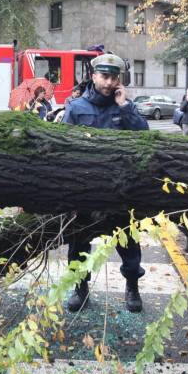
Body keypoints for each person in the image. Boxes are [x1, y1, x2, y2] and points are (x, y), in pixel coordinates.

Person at [60, 53, 149, 313]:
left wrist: (125, 107)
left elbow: (144, 137)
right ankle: (80, 288)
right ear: (93, 76)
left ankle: (132, 286)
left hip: (118, 192)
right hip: (86, 193)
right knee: (78, 247)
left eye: (114, 77)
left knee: (129, 247)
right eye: (105, 76)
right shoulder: (76, 108)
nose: (109, 83)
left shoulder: (123, 106)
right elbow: (63, 149)